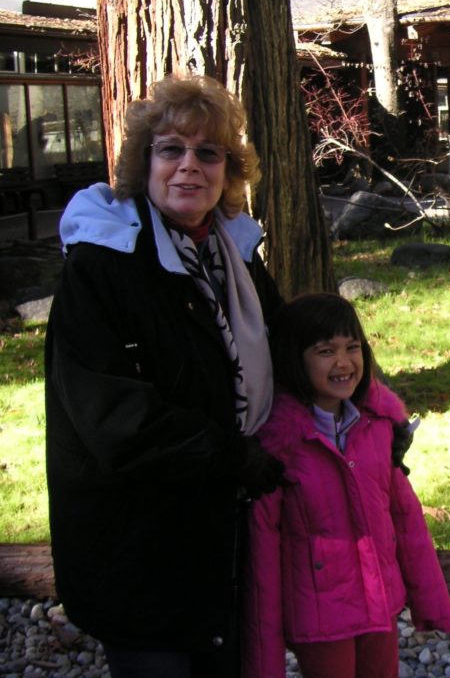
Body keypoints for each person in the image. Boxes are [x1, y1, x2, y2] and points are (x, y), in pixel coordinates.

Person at [45, 74, 288, 678]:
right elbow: (113, 417)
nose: (189, 167)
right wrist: (231, 455)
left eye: (208, 153)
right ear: (143, 163)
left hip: (222, 538)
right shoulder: (103, 267)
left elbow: (290, 351)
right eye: (171, 149)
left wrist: (368, 409)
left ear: (228, 171)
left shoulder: (232, 257)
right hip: (139, 545)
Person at [243, 293, 450, 678]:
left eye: (352, 348)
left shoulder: (377, 431)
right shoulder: (279, 450)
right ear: (295, 359)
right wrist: (265, 661)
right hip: (320, 620)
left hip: (380, 605)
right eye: (325, 351)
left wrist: (432, 601)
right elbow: (263, 554)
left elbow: (406, 519)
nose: (343, 362)